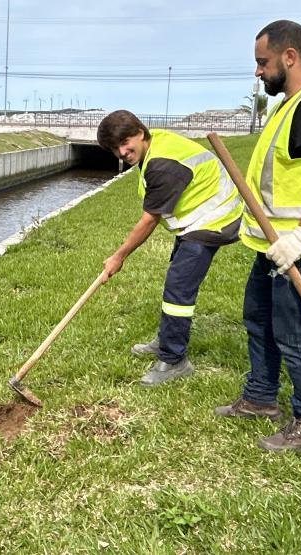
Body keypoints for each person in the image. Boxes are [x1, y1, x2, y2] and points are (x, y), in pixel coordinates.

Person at [215, 20, 301, 453]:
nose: (258, 71)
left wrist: (300, 238)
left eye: (263, 62)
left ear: (289, 57)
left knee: (296, 334)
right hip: (274, 248)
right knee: (258, 319)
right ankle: (260, 397)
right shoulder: (288, 106)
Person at [97, 111, 242, 386]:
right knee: (175, 281)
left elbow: (150, 219)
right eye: (116, 149)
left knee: (178, 289)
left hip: (214, 220)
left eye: (125, 143)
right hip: (197, 219)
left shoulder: (163, 163)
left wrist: (119, 257)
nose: (122, 152)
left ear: (140, 132)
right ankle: (166, 340)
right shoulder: (155, 145)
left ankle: (174, 360)